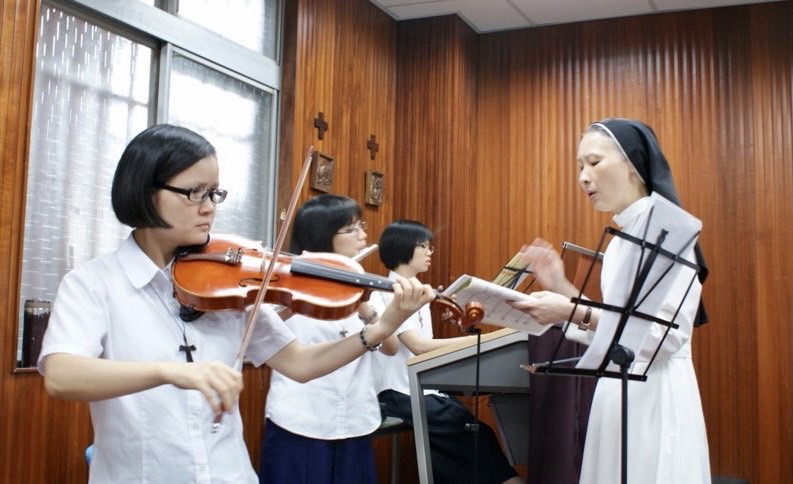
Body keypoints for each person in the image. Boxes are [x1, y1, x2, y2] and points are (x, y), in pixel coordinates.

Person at [37, 124, 434, 483]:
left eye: (214, 193)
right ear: (145, 191)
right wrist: (168, 371)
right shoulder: (94, 283)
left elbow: (300, 363)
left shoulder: (227, 283)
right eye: (194, 193)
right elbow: (61, 374)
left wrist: (381, 329)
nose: (209, 207)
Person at [510, 118, 710, 484]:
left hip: (656, 394)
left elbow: (664, 336)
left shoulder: (669, 230)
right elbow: (618, 324)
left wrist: (571, 310)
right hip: (616, 390)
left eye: (594, 162)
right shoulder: (621, 241)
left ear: (633, 163)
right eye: (580, 167)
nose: (583, 177)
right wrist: (561, 285)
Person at [260, 194, 405, 483]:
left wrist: (366, 310)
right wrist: (298, 298)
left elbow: (391, 347)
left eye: (361, 226)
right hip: (300, 419)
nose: (363, 236)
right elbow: (259, 332)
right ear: (322, 234)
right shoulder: (287, 283)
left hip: (355, 418)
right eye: (352, 229)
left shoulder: (360, 283)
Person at [370, 219, 525, 484]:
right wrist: (482, 341)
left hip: (423, 389)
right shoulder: (388, 292)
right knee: (469, 430)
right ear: (402, 247)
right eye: (423, 246)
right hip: (398, 391)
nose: (430, 252)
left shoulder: (420, 293)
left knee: (476, 431)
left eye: (430, 246)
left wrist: (477, 342)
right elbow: (420, 347)